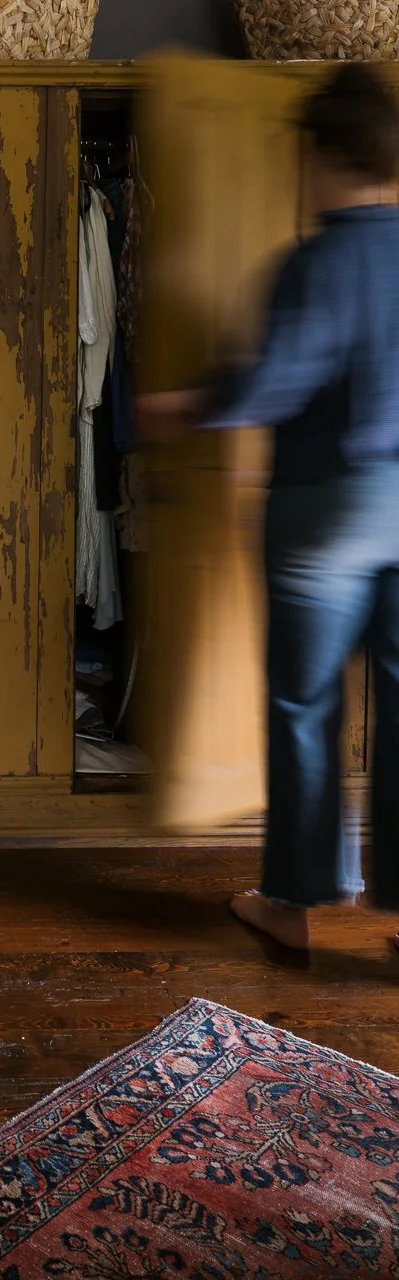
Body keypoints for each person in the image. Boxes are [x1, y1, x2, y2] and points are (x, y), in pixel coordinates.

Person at [141, 64, 399, 951]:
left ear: (322, 153)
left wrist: (180, 405)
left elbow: (273, 383)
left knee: (304, 703)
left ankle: (291, 903)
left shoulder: (317, 258)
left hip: (326, 509)